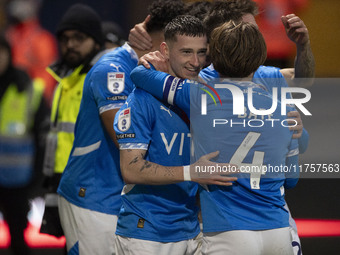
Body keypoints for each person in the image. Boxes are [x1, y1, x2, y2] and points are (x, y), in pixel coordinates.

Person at [131, 20, 300, 255]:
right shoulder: (282, 108)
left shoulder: (201, 94)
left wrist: (149, 60)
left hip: (228, 232)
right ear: (261, 56)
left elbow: (139, 75)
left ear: (214, 57)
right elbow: (291, 179)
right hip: (277, 231)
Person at [56, 1, 190, 254]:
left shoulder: (162, 72)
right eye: (175, 46)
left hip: (126, 198)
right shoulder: (112, 70)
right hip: (94, 195)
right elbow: (125, 139)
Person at [113, 15, 236, 255]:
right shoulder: (142, 99)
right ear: (165, 51)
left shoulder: (204, 97)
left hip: (192, 231)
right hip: (147, 236)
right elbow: (131, 169)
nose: (196, 62)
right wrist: (193, 173)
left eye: (202, 53)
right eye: (186, 52)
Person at [40, 3, 105, 242]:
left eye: (79, 38)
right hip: (63, 179)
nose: (70, 44)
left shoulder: (99, 77)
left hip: (91, 183)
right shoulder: (64, 80)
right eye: (65, 38)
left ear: (96, 41)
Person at [0, 34, 49, 255]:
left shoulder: (26, 88)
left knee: (18, 238)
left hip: (17, 180)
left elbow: (43, 136)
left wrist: (38, 177)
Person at [5, 0, 58, 105]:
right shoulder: (8, 36)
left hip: (31, 103)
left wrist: (41, 104)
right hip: (7, 99)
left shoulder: (43, 40)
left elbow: (46, 77)